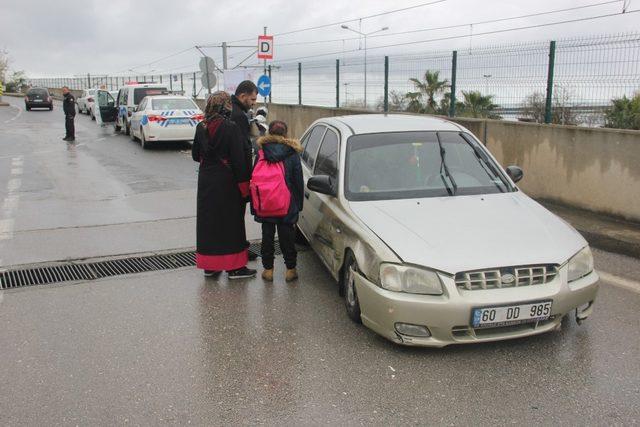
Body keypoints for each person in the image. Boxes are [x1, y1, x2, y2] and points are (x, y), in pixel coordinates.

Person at [192, 91, 257, 279]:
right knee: (231, 224)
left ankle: (210, 267)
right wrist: (245, 187)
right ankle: (234, 268)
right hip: (227, 182)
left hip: (206, 181)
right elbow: (239, 160)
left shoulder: (200, 126)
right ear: (224, 106)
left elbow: (196, 155)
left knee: (208, 223)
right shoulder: (231, 127)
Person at [251, 120, 304, 282]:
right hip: (286, 204)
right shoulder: (292, 153)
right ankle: (290, 270)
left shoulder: (261, 152)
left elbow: (254, 181)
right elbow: (298, 182)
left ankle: (268, 270)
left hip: (266, 204)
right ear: (285, 134)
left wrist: (255, 207)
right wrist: (298, 205)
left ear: (269, 134)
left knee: (267, 237)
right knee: (287, 237)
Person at [231, 80, 259, 260]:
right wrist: (247, 178)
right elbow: (242, 148)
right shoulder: (239, 116)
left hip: (228, 174)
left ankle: (239, 247)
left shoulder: (231, 110)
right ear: (242, 96)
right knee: (237, 216)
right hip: (238, 175)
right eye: (252, 99)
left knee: (232, 216)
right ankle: (239, 250)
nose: (254, 102)